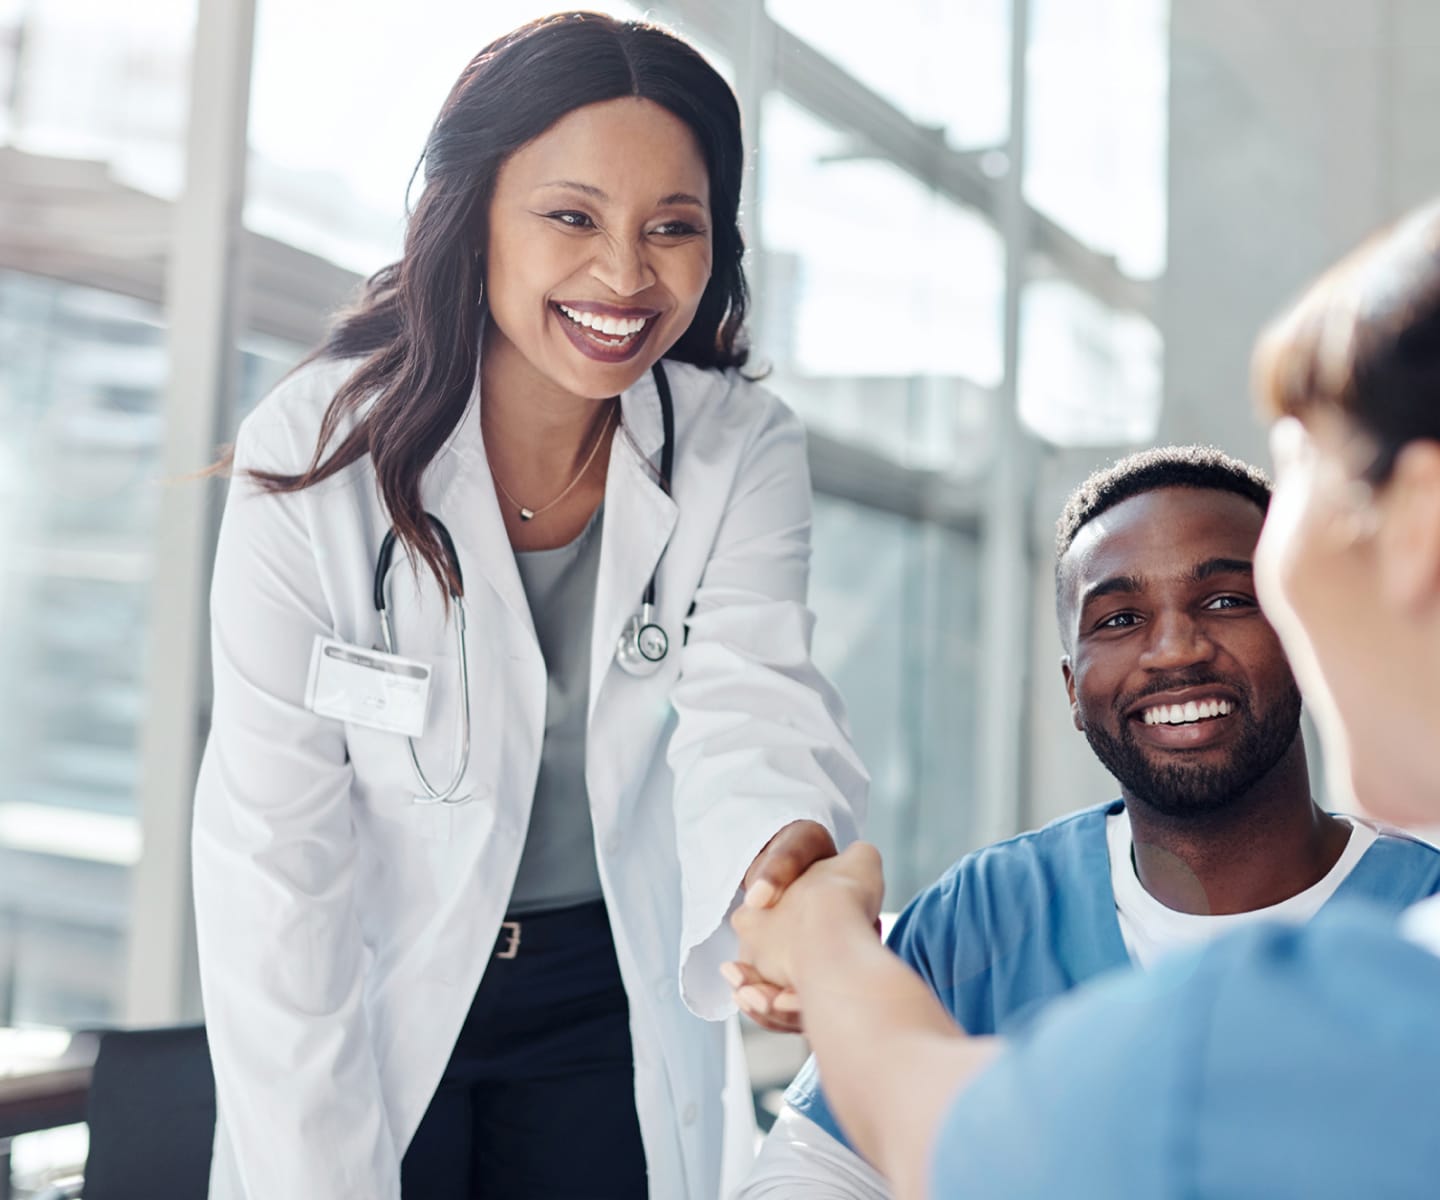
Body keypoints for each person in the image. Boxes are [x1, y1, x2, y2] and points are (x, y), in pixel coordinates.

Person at [191, 13, 867, 1200]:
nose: (624, 274)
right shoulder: (314, 452)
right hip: (366, 986)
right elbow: (271, 857)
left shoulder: (736, 448)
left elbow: (754, 707)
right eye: (571, 217)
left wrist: (781, 881)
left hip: (599, 1000)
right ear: (473, 214)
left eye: (674, 227)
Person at [729, 199, 1440, 1200]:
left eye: (1300, 471)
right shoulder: (984, 913)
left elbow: (946, 1130)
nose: (1177, 647)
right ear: (1069, 684)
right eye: (1116, 619)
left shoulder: (1297, 1011)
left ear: (1416, 527)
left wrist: (826, 934)